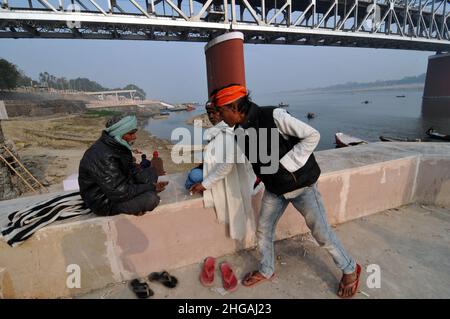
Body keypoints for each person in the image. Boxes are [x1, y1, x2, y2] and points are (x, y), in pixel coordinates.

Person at [211, 84, 361, 298]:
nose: (219, 115)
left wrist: (286, 165)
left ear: (234, 107)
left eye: (221, 110)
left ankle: (350, 268)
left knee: (322, 234)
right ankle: (267, 269)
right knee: (263, 230)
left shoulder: (274, 115)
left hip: (302, 186)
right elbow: (250, 159)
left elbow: (312, 135)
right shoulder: (239, 131)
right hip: (274, 190)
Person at [189, 102, 256, 240]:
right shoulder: (217, 131)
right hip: (221, 171)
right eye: (209, 113)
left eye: (215, 112)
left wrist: (205, 184)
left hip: (231, 175)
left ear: (224, 112)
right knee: (194, 175)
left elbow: (226, 165)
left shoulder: (230, 132)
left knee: (193, 177)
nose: (212, 116)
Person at [78, 114, 168, 216]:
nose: (134, 137)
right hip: (105, 201)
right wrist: (151, 187)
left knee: (152, 173)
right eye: (131, 134)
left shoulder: (119, 146)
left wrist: (147, 182)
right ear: (119, 133)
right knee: (151, 199)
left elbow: (132, 170)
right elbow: (120, 192)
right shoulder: (103, 156)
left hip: (121, 185)